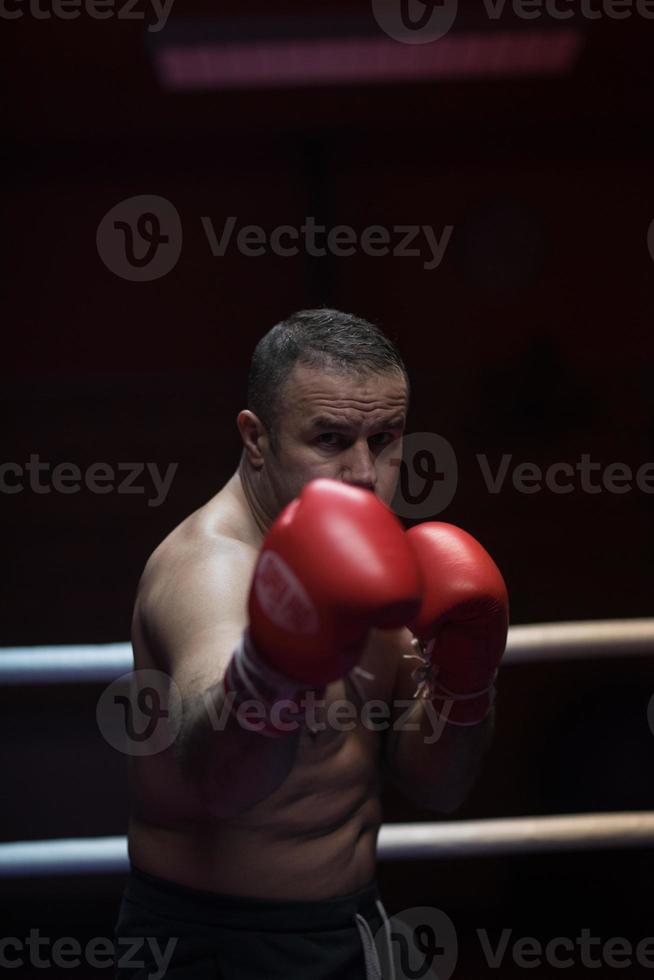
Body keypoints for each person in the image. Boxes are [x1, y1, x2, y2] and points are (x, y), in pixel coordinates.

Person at [114, 308, 509, 979]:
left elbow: (438, 786)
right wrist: (273, 665)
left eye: (385, 438)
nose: (364, 473)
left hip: (349, 929)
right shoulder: (210, 568)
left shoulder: (380, 561)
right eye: (330, 439)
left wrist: (467, 685)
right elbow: (221, 781)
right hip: (213, 947)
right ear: (257, 438)